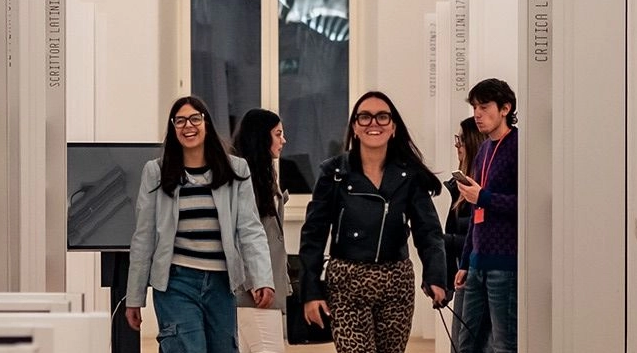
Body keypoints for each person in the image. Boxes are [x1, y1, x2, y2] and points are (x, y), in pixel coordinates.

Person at [298, 90, 448, 353]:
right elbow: (313, 234)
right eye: (365, 117)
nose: (373, 124)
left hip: (396, 282)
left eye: (382, 117)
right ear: (355, 127)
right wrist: (311, 292)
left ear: (393, 127)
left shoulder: (409, 175)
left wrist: (435, 275)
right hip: (346, 282)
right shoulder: (334, 173)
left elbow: (429, 231)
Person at [126, 96, 277, 353]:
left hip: (221, 283)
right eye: (180, 121)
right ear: (173, 129)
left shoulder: (236, 169)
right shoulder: (156, 172)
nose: (188, 126)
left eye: (195, 118)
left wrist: (262, 277)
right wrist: (134, 297)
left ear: (206, 123)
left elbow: (250, 229)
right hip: (176, 282)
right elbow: (144, 237)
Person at [453, 79, 519, 353]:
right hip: (479, 261)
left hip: (505, 261)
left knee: (503, 342)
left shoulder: (518, 146)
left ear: (505, 108)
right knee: (466, 342)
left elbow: (526, 206)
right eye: (474, 107)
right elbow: (475, 213)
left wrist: (483, 198)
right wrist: (466, 261)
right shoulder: (483, 150)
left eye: (484, 107)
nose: (477, 114)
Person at [231, 108, 291, 353]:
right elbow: (241, 235)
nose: (283, 140)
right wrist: (256, 281)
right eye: (278, 134)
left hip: (262, 287)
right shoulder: (245, 179)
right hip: (256, 291)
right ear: (261, 137)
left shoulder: (265, 175)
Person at [443, 116, 489, 349]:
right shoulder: (457, 188)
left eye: (460, 139)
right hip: (463, 272)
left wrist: (445, 241)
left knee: (469, 342)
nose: (456, 145)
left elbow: (479, 235)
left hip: (477, 272)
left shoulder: (481, 188)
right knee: (461, 342)